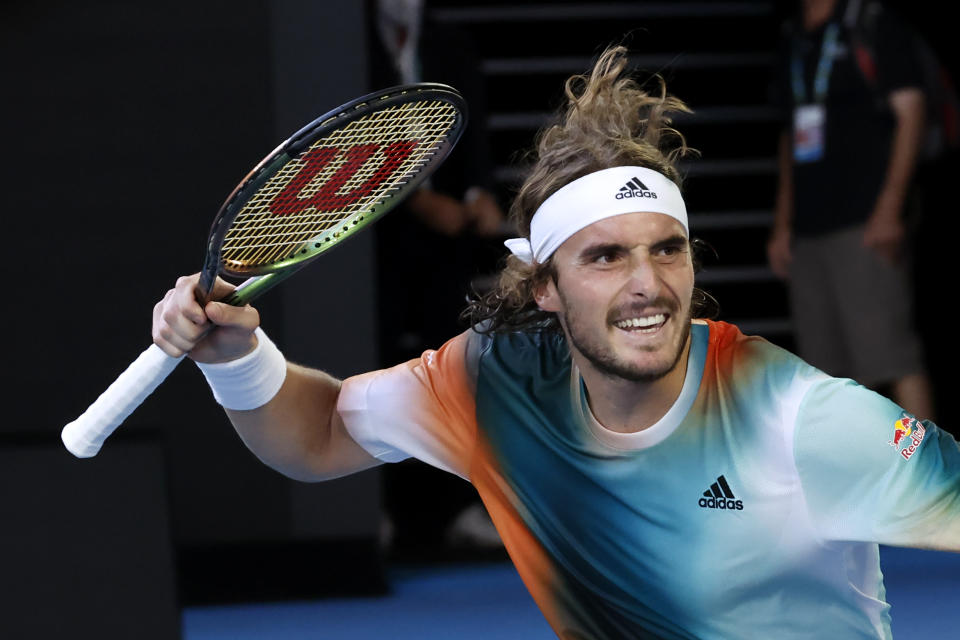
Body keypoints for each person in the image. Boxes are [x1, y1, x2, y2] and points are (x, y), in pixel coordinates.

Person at [153, 46, 959, 639]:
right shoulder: (492, 384)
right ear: (544, 286)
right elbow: (319, 433)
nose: (647, 283)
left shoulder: (791, 412)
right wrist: (234, 360)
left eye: (665, 248)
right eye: (605, 256)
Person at [768, 0, 936, 419]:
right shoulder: (793, 34)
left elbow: (911, 112)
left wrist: (890, 209)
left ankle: (927, 476)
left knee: (892, 362)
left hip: (863, 226)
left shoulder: (870, 22)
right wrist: (783, 223)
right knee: (827, 379)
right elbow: (791, 134)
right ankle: (853, 478)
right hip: (809, 231)